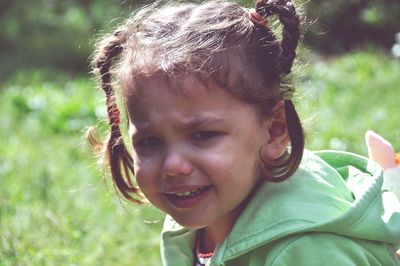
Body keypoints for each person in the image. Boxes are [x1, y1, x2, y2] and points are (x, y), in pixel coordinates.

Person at [89, 0, 400, 265]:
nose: (173, 166)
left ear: (275, 130)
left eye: (203, 135)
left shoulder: (306, 250)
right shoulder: (202, 215)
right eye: (150, 142)